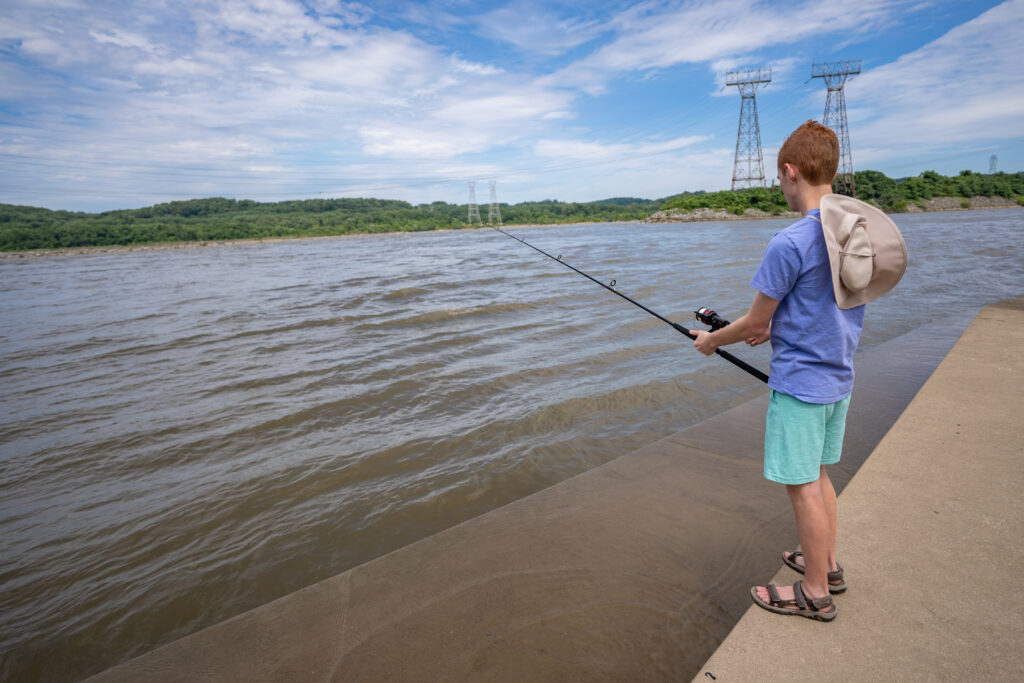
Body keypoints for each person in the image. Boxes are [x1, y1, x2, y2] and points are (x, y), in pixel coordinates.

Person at [691, 119, 906, 621]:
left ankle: (813, 592)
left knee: (803, 485)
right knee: (820, 476)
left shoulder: (788, 242)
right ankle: (826, 564)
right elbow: (812, 309)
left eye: (780, 179)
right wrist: (768, 326)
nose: (781, 189)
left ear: (790, 172)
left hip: (801, 387)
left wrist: (710, 341)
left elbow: (754, 323)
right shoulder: (853, 236)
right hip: (838, 379)